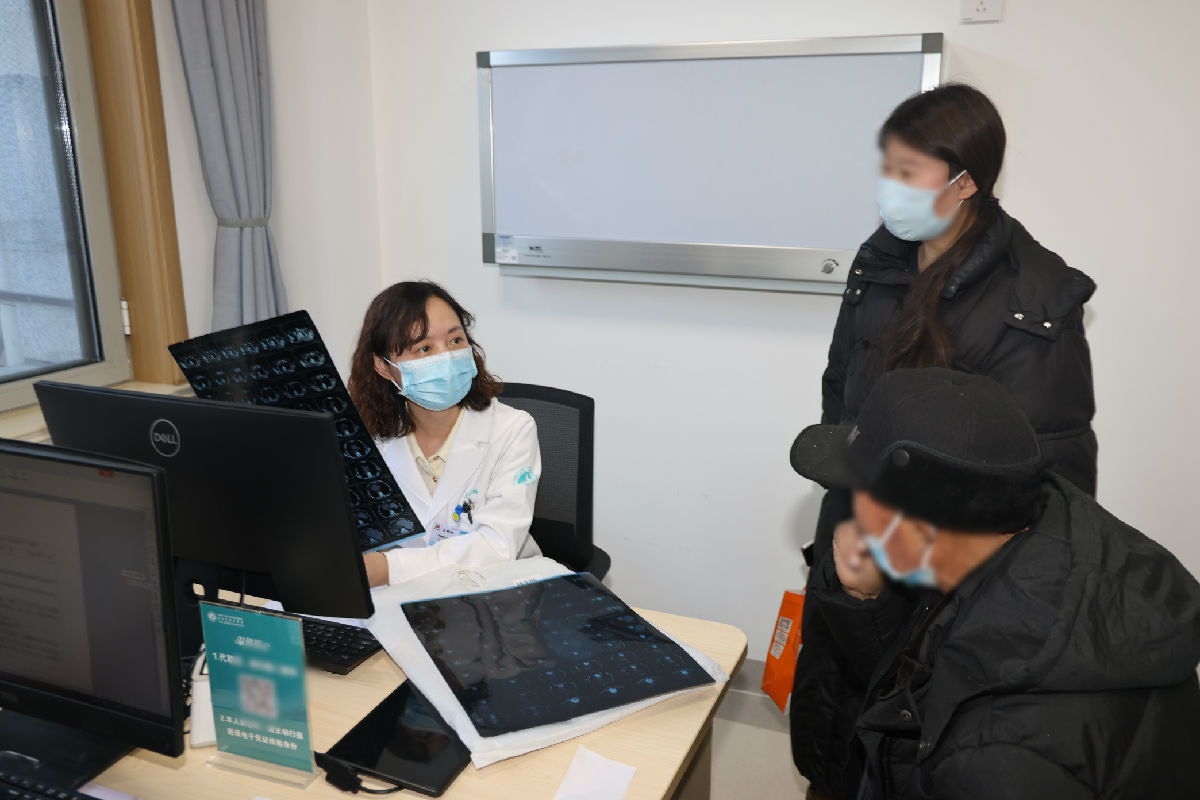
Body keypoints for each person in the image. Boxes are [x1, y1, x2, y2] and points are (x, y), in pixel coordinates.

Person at [792, 83, 1099, 799]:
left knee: (912, 762)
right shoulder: (880, 262)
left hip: (944, 585)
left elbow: (1042, 481)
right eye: (886, 166)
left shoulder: (1034, 299)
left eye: (908, 172)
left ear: (965, 183)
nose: (888, 187)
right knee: (838, 751)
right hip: (857, 546)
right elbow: (841, 392)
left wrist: (901, 544)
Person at [790, 368, 1200, 799]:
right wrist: (866, 598)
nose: (851, 515)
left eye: (859, 496)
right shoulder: (1048, 540)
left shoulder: (991, 761)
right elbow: (917, 704)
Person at [347, 281, 541, 586]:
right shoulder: (368, 439)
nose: (447, 356)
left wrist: (389, 568)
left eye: (455, 340)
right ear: (384, 367)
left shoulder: (512, 429)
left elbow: (497, 546)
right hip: (404, 594)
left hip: (496, 588)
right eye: (424, 348)